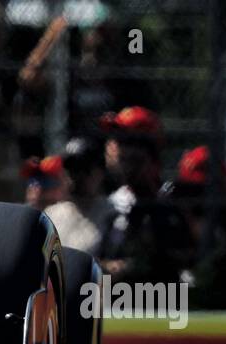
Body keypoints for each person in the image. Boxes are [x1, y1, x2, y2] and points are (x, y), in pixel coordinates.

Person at [95, 107, 194, 283]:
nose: (114, 147)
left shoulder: (171, 206)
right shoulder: (114, 204)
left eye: (123, 141)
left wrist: (131, 267)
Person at [43, 137, 108, 254]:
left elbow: (114, 265)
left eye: (83, 170)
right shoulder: (51, 215)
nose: (76, 177)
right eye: (71, 170)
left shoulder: (112, 216)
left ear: (100, 173)